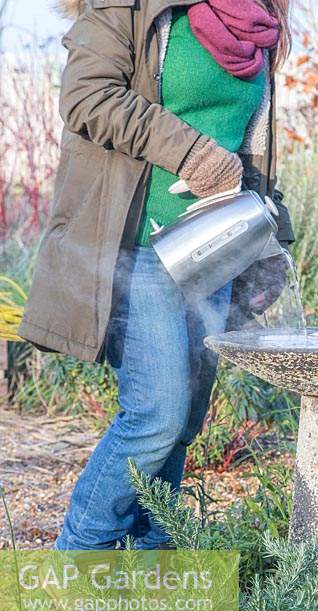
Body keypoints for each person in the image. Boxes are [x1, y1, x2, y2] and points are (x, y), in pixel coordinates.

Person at [18, 0, 294, 550]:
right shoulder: (128, 8)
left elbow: (246, 146)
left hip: (212, 250)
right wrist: (192, 155)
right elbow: (88, 97)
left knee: (182, 426)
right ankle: (72, 582)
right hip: (137, 247)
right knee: (155, 416)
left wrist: (269, 238)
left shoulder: (256, 22)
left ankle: (151, 603)